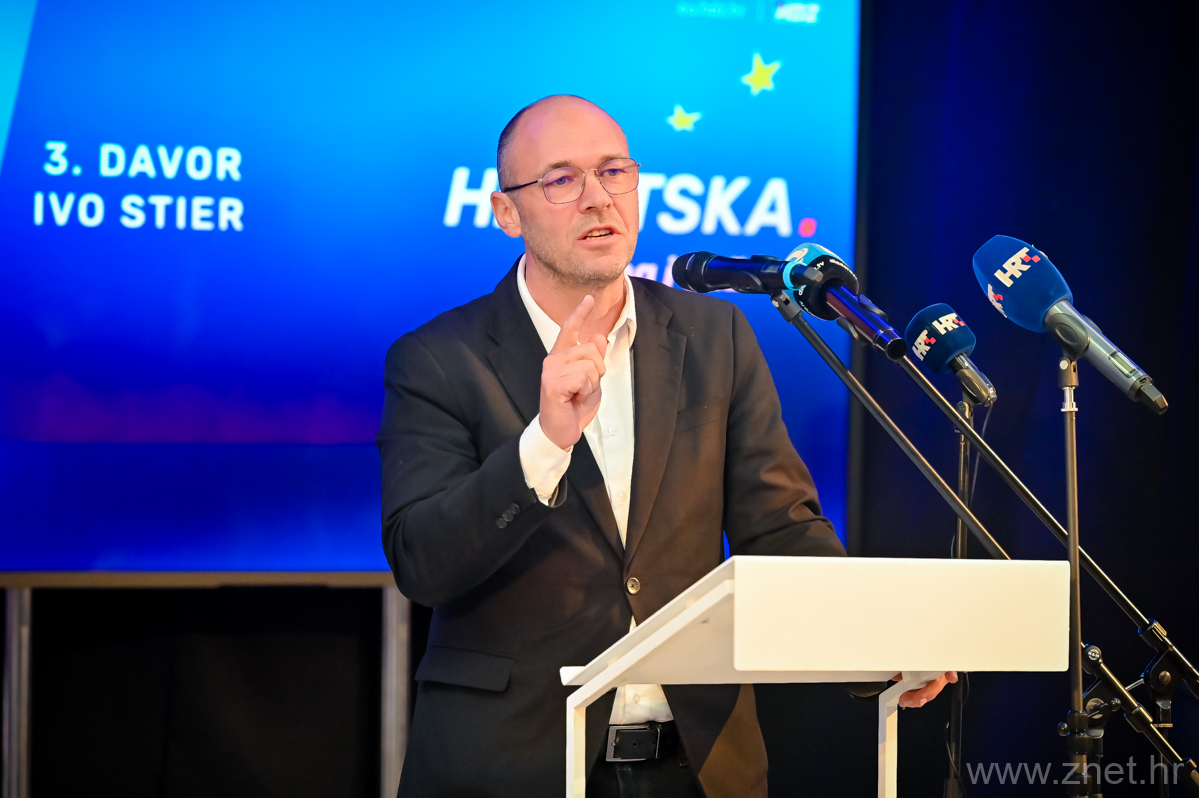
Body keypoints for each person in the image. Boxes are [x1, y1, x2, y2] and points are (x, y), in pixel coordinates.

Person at [377, 94, 953, 798]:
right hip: (512, 764)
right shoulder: (439, 359)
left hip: (697, 765)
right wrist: (545, 443)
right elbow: (423, 564)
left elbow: (780, 531)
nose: (597, 198)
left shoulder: (714, 337)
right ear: (506, 212)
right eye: (561, 179)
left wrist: (872, 643)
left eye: (613, 171)